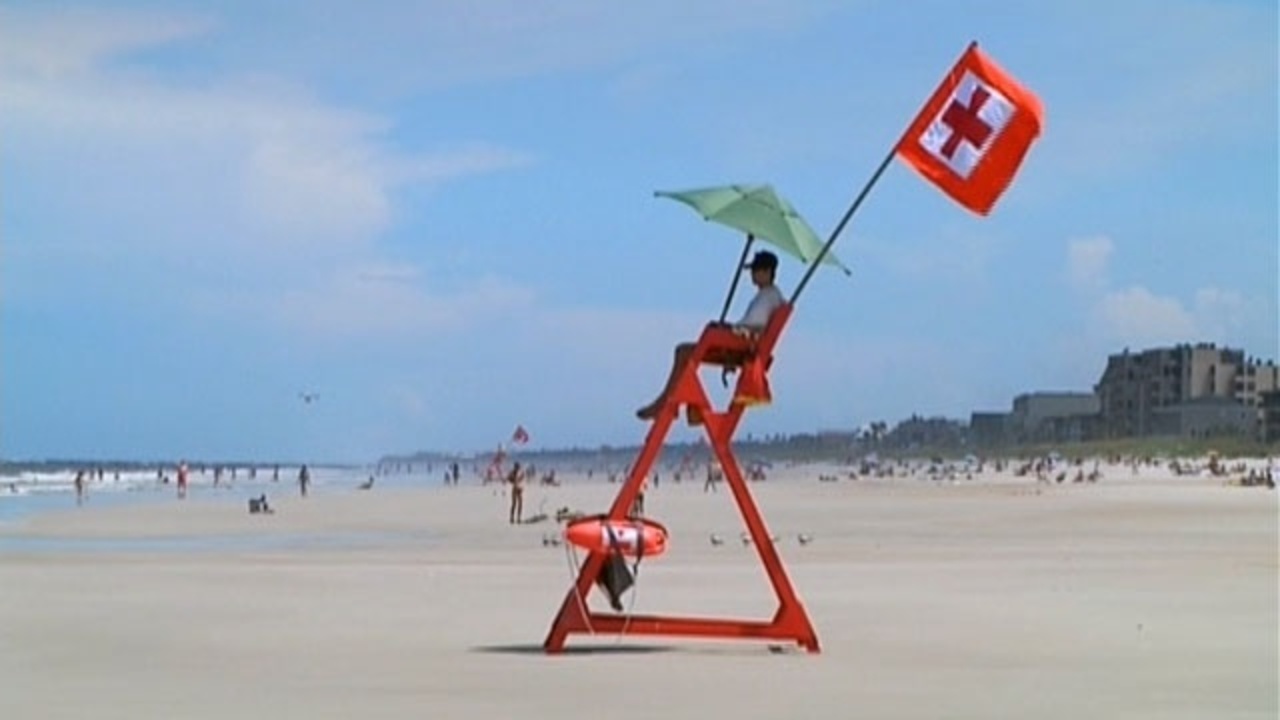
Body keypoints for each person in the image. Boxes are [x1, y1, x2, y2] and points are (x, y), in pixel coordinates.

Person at [636, 250, 786, 420]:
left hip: (739, 348)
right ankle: (689, 406)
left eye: (756, 270)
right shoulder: (769, 295)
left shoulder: (768, 297)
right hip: (740, 346)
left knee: (684, 352)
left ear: (767, 271)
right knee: (687, 351)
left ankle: (668, 405)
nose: (752, 274)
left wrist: (725, 330)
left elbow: (752, 328)